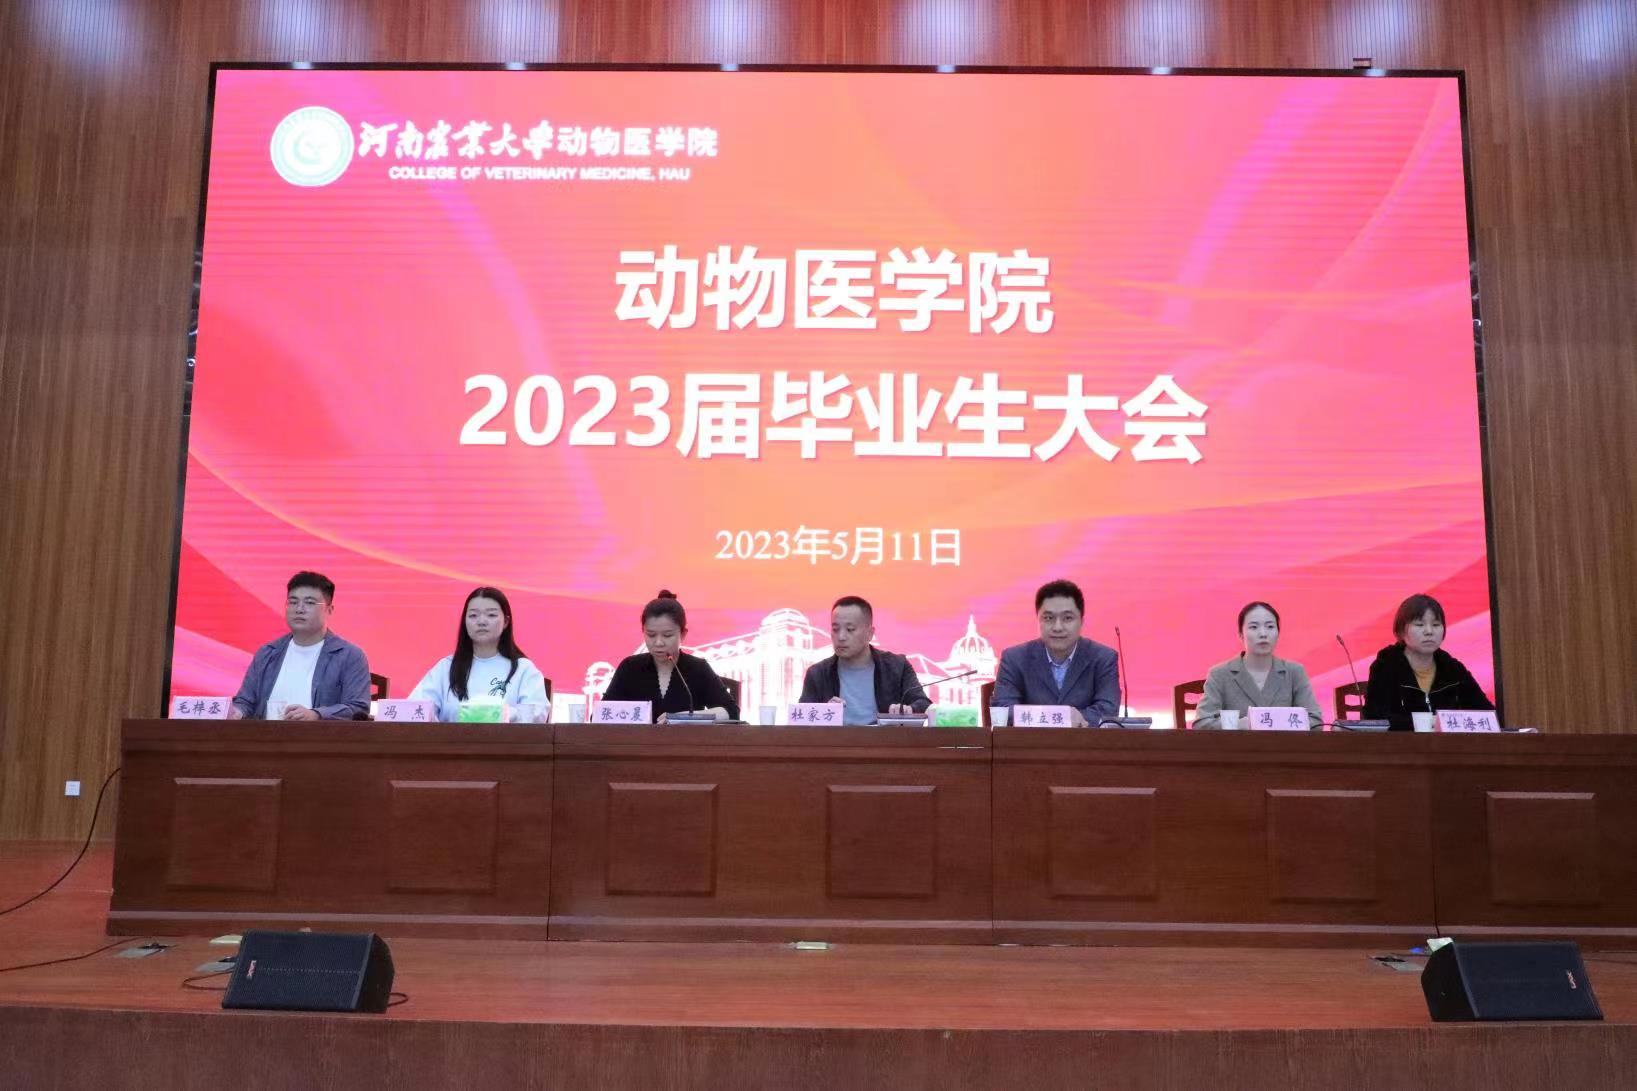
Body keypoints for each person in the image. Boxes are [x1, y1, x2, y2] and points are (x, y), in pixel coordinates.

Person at [229, 571, 370, 720]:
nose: (299, 609)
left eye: (309, 603)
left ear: (329, 610)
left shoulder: (349, 656)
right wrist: (237, 712)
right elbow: (245, 702)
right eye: (293, 602)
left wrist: (316, 715)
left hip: (320, 734)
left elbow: (358, 708)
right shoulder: (267, 653)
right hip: (267, 733)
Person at [408, 587, 550, 722]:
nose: (481, 621)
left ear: (506, 622)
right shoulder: (446, 667)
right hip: (452, 740)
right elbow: (414, 709)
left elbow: (536, 715)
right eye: (473, 615)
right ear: (465, 622)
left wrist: (501, 713)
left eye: (491, 615)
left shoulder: (523, 669)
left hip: (507, 740)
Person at [992, 579, 1120, 727]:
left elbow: (1108, 711)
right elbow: (1003, 710)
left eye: (1067, 618)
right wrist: (1060, 717)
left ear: (1081, 622)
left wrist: (1076, 719)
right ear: (1038, 620)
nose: (1057, 627)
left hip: (1084, 741)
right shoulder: (1014, 658)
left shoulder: (1104, 658)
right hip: (1030, 741)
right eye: (1048, 618)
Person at [1362, 593, 1494, 731]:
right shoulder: (1385, 666)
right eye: (1419, 625)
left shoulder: (1453, 669)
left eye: (1436, 625)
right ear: (1401, 631)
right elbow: (1375, 719)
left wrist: (1448, 722)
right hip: (1400, 744)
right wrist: (1427, 723)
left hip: (1447, 744)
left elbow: (1487, 715)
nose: (1429, 631)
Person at [602, 591, 740, 721]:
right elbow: (600, 715)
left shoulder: (697, 668)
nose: (658, 642)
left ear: (683, 634)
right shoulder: (630, 668)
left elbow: (731, 712)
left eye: (667, 635)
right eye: (651, 635)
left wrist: (686, 718)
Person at [797, 596, 930, 724]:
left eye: (850, 629)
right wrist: (824, 713)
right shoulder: (817, 674)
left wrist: (908, 710)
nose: (841, 637)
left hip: (884, 739)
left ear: (869, 634)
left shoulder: (898, 666)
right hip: (836, 740)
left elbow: (923, 703)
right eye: (835, 629)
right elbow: (800, 722)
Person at [1192, 601, 1322, 730]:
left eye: (1270, 627)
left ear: (1278, 634)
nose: (1263, 634)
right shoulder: (1220, 674)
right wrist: (1237, 725)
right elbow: (1201, 723)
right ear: (1240, 635)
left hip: (1283, 744)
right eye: (1254, 627)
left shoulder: (1294, 672)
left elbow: (1315, 722)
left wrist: (1274, 723)